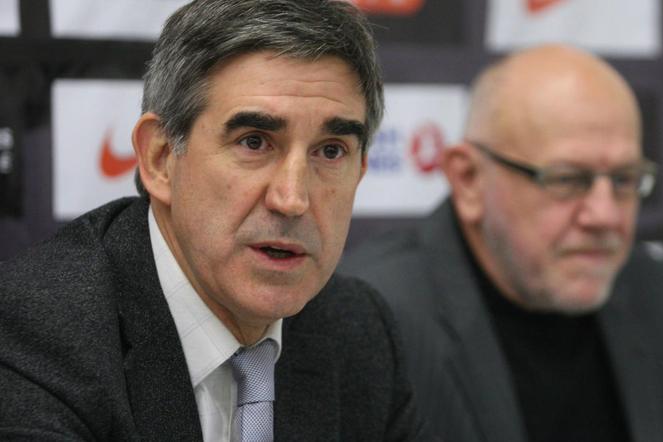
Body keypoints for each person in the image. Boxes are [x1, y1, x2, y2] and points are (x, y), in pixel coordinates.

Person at [0, 0, 430, 440]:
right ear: (161, 158)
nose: (292, 199)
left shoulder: (357, 329)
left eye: (331, 151)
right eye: (254, 142)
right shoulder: (38, 333)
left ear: (360, 170)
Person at [341, 45, 663, 442]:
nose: (606, 216)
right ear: (469, 179)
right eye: (567, 179)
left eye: (624, 179)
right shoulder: (370, 319)